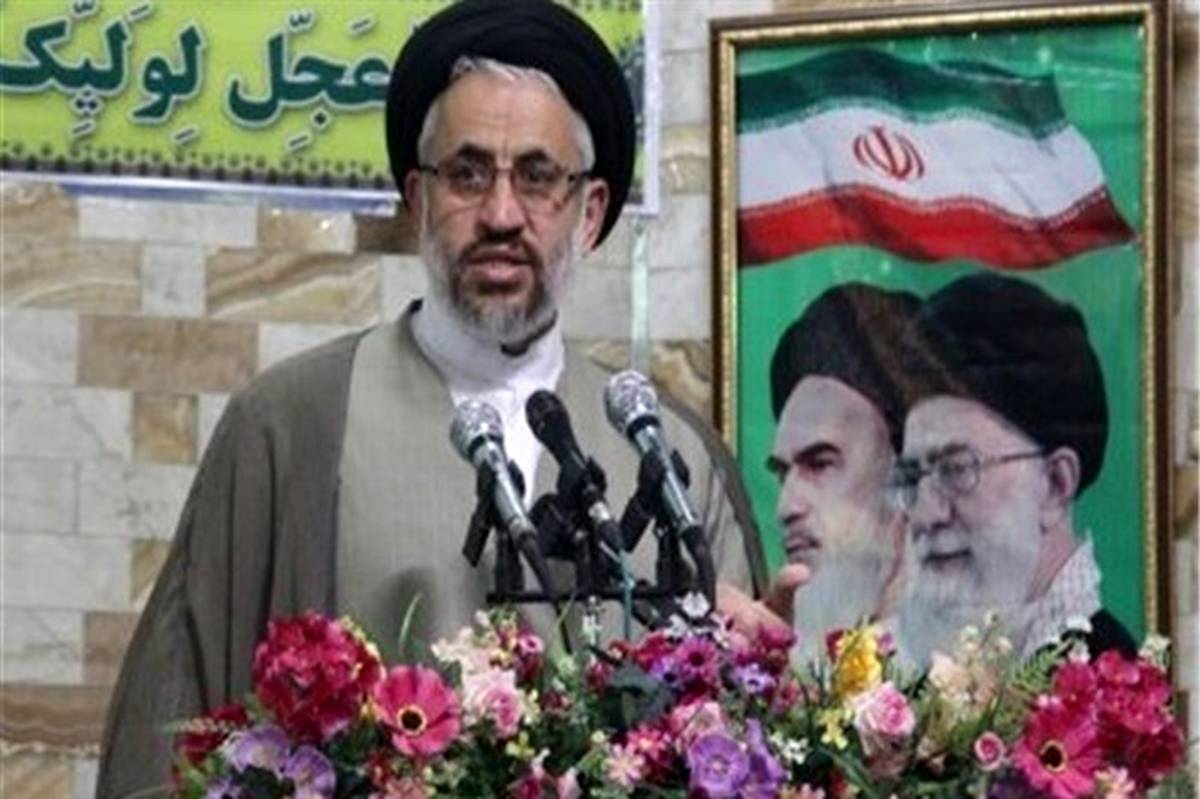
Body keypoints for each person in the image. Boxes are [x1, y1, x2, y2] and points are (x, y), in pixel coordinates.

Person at [96, 2, 763, 795]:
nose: (501, 215)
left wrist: (768, 686)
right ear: (417, 199)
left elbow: (749, 744)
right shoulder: (290, 425)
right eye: (467, 174)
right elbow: (172, 730)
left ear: (589, 214)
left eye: (538, 177)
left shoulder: (669, 451)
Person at [890, 273, 1136, 666]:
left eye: (956, 470)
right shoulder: (928, 676)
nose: (924, 514)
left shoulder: (1108, 683)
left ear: (1055, 485)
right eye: (912, 477)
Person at [764, 283, 919, 660]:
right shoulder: (774, 671)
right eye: (783, 474)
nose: (786, 508)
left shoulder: (985, 669)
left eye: (819, 464)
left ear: (909, 481)